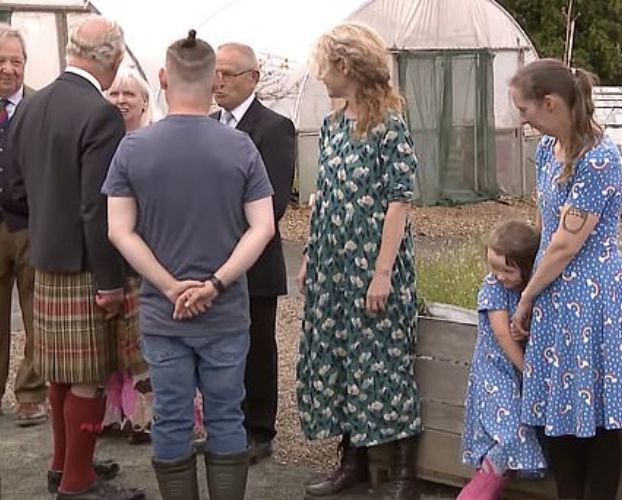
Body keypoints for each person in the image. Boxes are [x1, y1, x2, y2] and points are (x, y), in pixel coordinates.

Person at [104, 30, 274, 500]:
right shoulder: (241, 148)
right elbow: (261, 228)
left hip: (164, 313)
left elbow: (119, 230)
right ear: (212, 79)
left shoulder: (132, 149)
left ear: (162, 78)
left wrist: (169, 285)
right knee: (226, 416)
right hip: (224, 313)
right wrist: (215, 284)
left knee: (173, 418)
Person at [9, 15, 145, 500]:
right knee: (86, 377)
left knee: (61, 373)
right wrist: (110, 280)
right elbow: (98, 205)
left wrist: (46, 225)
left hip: (46, 256)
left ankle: (62, 464)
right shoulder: (100, 112)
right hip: (88, 266)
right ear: (110, 58)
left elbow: (15, 186)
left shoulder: (32, 103)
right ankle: (77, 483)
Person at [509, 59, 622, 500]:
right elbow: (547, 226)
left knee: (599, 415)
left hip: (595, 296)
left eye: (524, 109)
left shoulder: (600, 157)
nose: (522, 118)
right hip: (556, 292)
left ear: (549, 103)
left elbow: (568, 243)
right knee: (558, 410)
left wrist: (527, 296)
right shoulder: (547, 150)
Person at [296, 22, 422, 500]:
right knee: (340, 359)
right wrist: (311, 253)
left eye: (325, 67)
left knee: (385, 363)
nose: (322, 77)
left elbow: (399, 200)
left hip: (373, 266)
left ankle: (405, 474)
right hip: (332, 266)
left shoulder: (389, 126)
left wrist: (383, 272)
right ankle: (353, 464)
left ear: (345, 67)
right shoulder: (332, 125)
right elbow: (323, 196)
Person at [213, 41, 296, 464]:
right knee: (219, 347)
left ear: (253, 78)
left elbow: (274, 202)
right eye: (215, 72)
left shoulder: (273, 128)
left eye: (228, 73)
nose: (219, 81)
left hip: (255, 260)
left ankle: (258, 430)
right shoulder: (208, 124)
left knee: (255, 346)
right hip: (209, 259)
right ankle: (224, 425)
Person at [458, 220, 546, 500]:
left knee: (515, 433)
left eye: (507, 270)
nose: (498, 276)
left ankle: (489, 484)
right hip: (494, 372)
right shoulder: (493, 288)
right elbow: (502, 335)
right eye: (493, 267)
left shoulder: (531, 289)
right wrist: (528, 370)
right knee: (510, 433)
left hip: (516, 371)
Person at [101, 68, 153, 445]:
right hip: (105, 253)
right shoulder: (100, 142)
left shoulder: (152, 142)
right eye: (114, 93)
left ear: (145, 102)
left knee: (140, 341)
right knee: (111, 340)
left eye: (129, 94)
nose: (120, 100)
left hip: (142, 252)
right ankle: (113, 416)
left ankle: (146, 418)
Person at [0, 23, 47, 427]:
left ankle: (31, 396)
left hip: (32, 226)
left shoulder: (40, 106)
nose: (8, 68)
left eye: (16, 60)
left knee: (38, 317)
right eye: (0, 60)